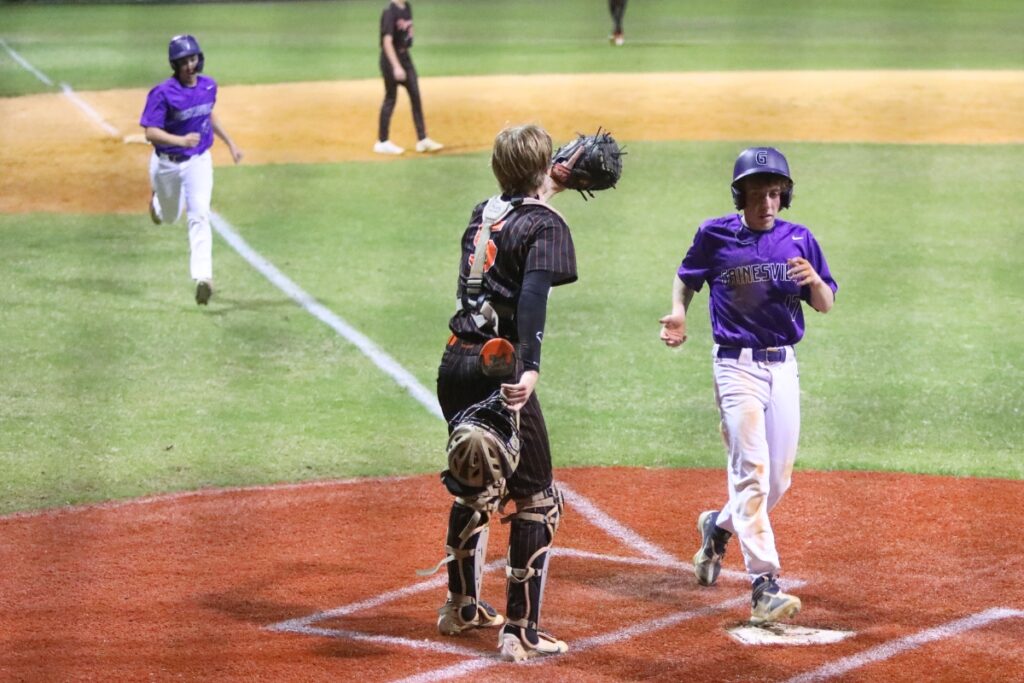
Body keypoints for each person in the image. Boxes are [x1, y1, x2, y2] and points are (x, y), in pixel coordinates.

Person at [658, 147, 837, 625]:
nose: (767, 204)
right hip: (734, 367)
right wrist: (679, 312)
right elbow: (686, 277)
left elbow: (824, 304)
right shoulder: (715, 234)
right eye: (758, 194)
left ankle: (717, 529)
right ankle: (764, 584)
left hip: (783, 367)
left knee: (778, 479)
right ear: (741, 196)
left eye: (775, 194)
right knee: (752, 471)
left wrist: (814, 280)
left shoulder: (799, 240)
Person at [433, 124, 574, 662]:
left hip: (456, 362)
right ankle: (521, 630)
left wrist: (543, 184)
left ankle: (461, 605)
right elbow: (534, 292)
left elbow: (515, 215)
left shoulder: (481, 213)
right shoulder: (546, 225)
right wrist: (530, 367)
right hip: (503, 369)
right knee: (538, 496)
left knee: (474, 481)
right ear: (542, 169)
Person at [140, 34, 243, 306]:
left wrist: (230, 143)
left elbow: (207, 114)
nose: (190, 65)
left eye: (193, 58)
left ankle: (203, 278)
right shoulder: (162, 93)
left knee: (199, 215)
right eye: (184, 61)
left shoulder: (208, 86)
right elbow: (150, 131)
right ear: (175, 64)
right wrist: (180, 141)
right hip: (167, 164)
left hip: (198, 162)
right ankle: (157, 205)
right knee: (171, 216)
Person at [374, 0, 443, 155]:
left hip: (406, 58)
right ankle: (382, 141)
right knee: (390, 98)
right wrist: (396, 66)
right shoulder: (389, 12)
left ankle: (422, 139)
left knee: (415, 96)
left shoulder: (407, 7)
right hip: (391, 60)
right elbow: (387, 42)